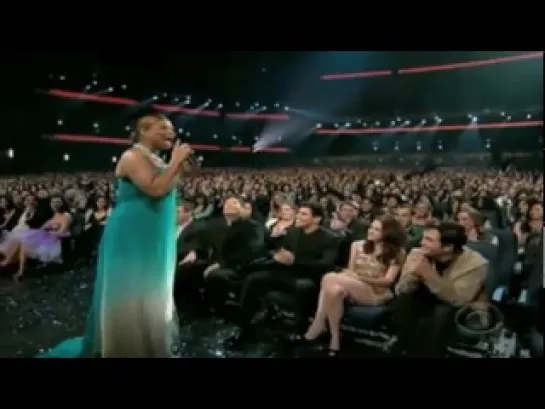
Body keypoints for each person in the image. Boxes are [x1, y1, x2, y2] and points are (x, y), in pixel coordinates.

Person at [40, 108, 193, 358]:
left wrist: (180, 166)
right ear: (144, 131)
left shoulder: (157, 160)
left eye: (171, 128)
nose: (171, 131)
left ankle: (149, 344)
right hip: (131, 233)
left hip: (155, 233)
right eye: (163, 127)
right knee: (131, 287)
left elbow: (167, 188)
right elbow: (154, 190)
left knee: (152, 287)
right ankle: (125, 348)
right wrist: (175, 161)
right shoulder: (131, 156)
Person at [305, 215, 406, 355]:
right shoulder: (357, 245)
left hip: (376, 292)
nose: (370, 231)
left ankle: (319, 321)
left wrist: (360, 278)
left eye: (377, 229)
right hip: (353, 287)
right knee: (335, 291)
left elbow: (388, 281)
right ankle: (335, 340)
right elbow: (350, 271)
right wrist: (352, 276)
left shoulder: (397, 252)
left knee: (329, 277)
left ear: (388, 234)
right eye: (371, 227)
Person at [390, 221, 488, 357]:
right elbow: (401, 289)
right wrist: (412, 275)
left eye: (429, 240)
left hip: (459, 307)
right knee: (403, 301)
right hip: (424, 300)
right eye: (423, 238)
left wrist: (428, 274)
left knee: (441, 313)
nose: (422, 243)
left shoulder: (476, 264)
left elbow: (458, 299)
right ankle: (403, 345)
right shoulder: (417, 253)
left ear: (447, 247)